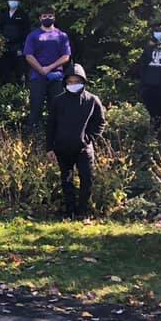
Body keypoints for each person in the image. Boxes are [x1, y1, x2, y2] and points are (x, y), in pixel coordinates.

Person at [46, 64, 107, 219]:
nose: (73, 84)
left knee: (87, 179)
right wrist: (49, 148)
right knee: (66, 181)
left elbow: (100, 122)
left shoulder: (92, 100)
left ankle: (82, 212)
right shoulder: (58, 101)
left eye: (77, 81)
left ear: (83, 81)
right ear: (66, 83)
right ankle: (69, 211)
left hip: (84, 148)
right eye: (70, 81)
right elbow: (51, 125)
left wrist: (88, 138)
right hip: (62, 148)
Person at [24, 7, 71, 131]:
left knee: (57, 109)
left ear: (54, 18)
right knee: (36, 107)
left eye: (50, 16)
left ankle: (56, 137)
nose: (47, 18)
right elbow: (28, 56)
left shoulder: (62, 35)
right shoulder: (33, 35)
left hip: (56, 77)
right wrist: (41, 70)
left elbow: (66, 56)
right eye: (44, 16)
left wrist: (49, 68)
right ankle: (32, 136)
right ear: (40, 18)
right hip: (37, 77)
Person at [0, 0, 29, 84]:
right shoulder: (4, 13)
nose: (12, 2)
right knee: (5, 68)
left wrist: (22, 46)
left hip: (17, 46)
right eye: (11, 0)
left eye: (14, 0)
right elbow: (0, 28)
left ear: (18, 2)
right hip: (4, 46)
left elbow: (26, 31)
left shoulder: (23, 14)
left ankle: (20, 89)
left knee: (19, 69)